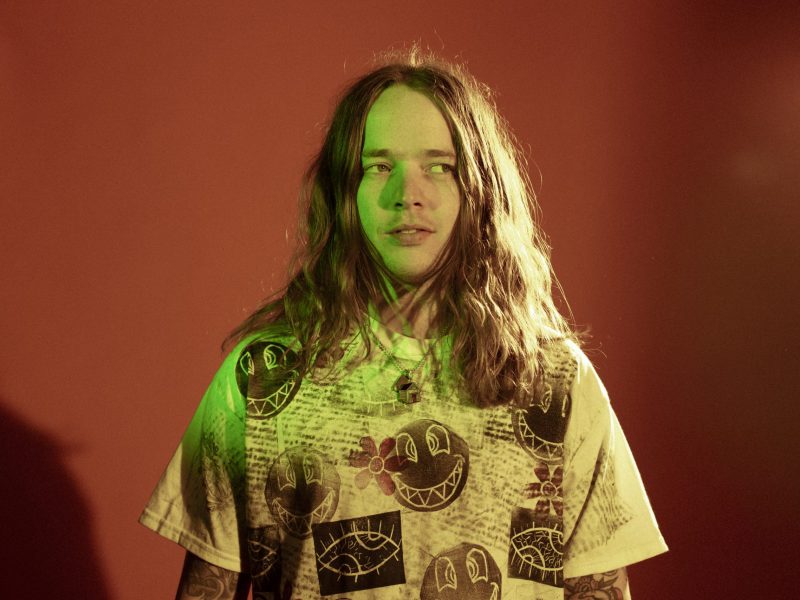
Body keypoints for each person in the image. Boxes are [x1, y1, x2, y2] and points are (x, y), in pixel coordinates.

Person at [140, 47, 667, 599]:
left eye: (439, 167)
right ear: (344, 192)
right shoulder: (262, 376)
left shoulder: (556, 383)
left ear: (480, 190)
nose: (407, 196)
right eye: (379, 167)